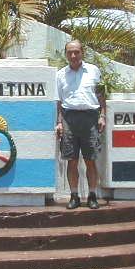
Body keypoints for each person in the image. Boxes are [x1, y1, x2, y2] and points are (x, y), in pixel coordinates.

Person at [55, 39, 106, 209]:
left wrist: (102, 116)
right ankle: (74, 196)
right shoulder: (60, 74)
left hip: (90, 118)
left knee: (90, 160)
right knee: (72, 160)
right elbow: (59, 101)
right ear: (66, 54)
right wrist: (59, 122)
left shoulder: (94, 71)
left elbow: (101, 96)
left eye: (76, 52)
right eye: (70, 52)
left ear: (82, 52)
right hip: (69, 119)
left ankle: (92, 196)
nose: (73, 55)